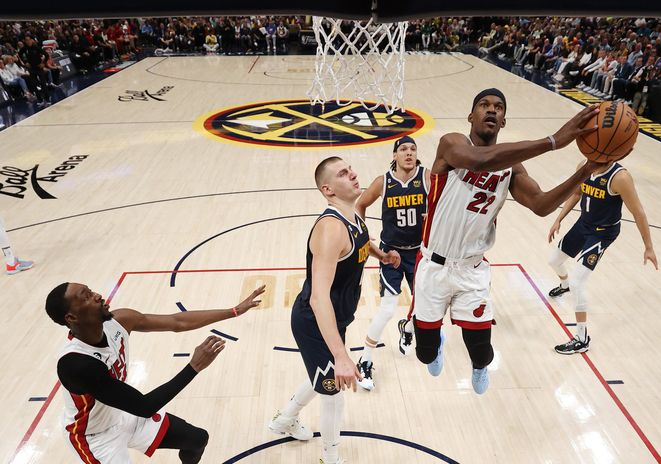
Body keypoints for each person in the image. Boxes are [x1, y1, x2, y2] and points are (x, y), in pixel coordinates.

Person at [411, 88, 603, 395]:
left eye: (498, 107)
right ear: (470, 116)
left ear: (503, 121)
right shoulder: (452, 144)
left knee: (481, 350)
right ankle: (436, 342)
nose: (491, 110)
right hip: (433, 266)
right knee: (424, 352)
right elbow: (478, 161)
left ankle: (479, 367)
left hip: (472, 270)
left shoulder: (512, 168)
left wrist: (584, 172)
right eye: (484, 105)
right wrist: (551, 142)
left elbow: (541, 204)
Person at [268, 157, 400, 464]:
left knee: (323, 376)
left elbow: (362, 242)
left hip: (334, 317)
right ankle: (330, 457)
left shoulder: (352, 214)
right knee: (333, 389)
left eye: (350, 168)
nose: (353, 173)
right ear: (328, 189)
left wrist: (381, 255)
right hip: (314, 321)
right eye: (343, 173)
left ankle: (284, 420)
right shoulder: (331, 228)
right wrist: (341, 355)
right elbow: (318, 298)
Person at [45, 282, 265, 463]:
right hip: (94, 436)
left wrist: (234, 311)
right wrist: (193, 367)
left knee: (196, 439)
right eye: (87, 297)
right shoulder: (76, 364)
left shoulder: (120, 321)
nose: (98, 295)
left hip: (122, 414)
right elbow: (144, 407)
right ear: (71, 318)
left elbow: (176, 321)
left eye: (91, 290)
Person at [547, 160, 658, 354]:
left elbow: (638, 212)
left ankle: (582, 339)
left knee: (578, 282)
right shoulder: (583, 165)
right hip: (584, 224)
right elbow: (576, 193)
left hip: (603, 232)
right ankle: (563, 286)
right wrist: (558, 219)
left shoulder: (620, 177)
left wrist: (648, 247)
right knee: (554, 261)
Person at [353, 136, 428, 390]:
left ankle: (406, 328)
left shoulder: (427, 178)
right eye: (403, 149)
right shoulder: (383, 181)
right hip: (392, 254)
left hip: (420, 253)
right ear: (395, 155)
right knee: (387, 309)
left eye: (413, 149)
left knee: (424, 309)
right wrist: (363, 231)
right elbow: (360, 204)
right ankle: (365, 359)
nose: (409, 153)